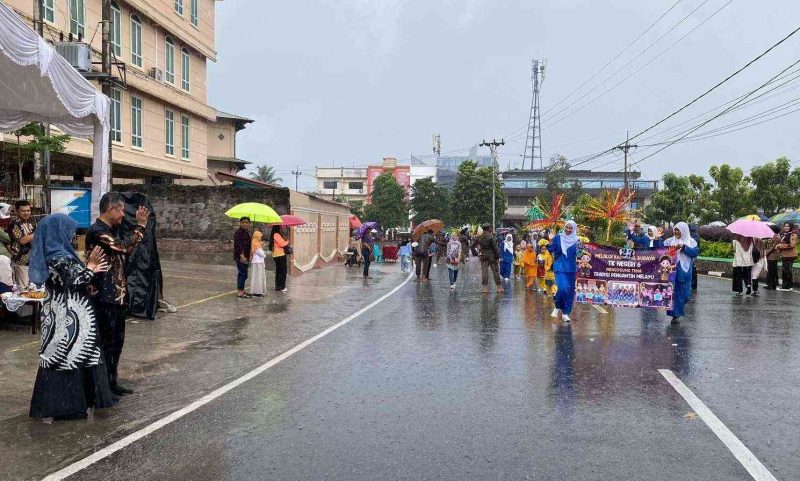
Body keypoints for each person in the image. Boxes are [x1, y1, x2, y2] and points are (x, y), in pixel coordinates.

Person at [28, 214, 115, 421]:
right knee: (66, 358)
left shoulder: (57, 254)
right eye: (69, 231)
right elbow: (76, 282)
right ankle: (67, 407)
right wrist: (91, 268)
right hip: (66, 318)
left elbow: (78, 282)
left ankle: (73, 405)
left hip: (65, 315)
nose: (72, 236)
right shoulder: (58, 256)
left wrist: (91, 272)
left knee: (67, 358)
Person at [85, 193, 148, 396]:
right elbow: (124, 247)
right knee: (105, 343)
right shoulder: (97, 231)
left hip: (117, 296)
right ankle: (102, 387)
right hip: (104, 296)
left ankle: (112, 382)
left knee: (116, 342)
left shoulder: (112, 229)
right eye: (121, 210)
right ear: (111, 209)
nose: (123, 215)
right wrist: (140, 226)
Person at [664, 222, 700, 324]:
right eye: (675, 230)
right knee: (675, 292)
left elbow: (695, 253)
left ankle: (677, 310)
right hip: (674, 269)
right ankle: (675, 314)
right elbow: (659, 250)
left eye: (678, 230)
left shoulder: (691, 241)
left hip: (686, 270)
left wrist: (683, 247)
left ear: (684, 231)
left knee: (686, 294)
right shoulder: (669, 241)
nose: (676, 232)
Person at [549, 221, 579, 322]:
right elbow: (551, 250)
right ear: (564, 227)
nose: (568, 230)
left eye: (570, 228)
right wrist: (551, 240)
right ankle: (557, 306)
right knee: (563, 288)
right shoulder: (558, 237)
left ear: (574, 229)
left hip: (571, 268)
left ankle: (565, 313)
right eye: (567, 227)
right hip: (560, 266)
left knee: (570, 291)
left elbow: (580, 254)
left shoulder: (577, 240)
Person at [9, 200, 37, 288]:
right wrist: (39, 232)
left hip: (32, 261)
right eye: (23, 211)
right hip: (21, 262)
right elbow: (22, 240)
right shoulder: (14, 224)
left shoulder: (30, 223)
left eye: (28, 210)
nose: (26, 213)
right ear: (17, 211)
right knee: (23, 289)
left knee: (33, 289)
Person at [472, 224, 503, 294]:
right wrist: (498, 256)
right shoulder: (492, 237)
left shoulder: (479, 237)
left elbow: (472, 246)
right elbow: (495, 248)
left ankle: (485, 288)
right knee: (495, 272)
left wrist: (475, 254)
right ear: (489, 228)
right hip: (492, 257)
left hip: (483, 256)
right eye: (490, 228)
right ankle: (499, 287)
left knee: (484, 272)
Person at [233, 217, 252, 298]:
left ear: (249, 224)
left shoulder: (247, 232)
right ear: (240, 223)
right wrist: (241, 255)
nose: (245, 224)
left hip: (246, 256)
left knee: (245, 274)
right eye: (243, 222)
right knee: (242, 273)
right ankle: (240, 292)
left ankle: (242, 290)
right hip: (241, 256)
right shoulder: (238, 233)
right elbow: (238, 245)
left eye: (246, 222)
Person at [776, 222, 797, 291]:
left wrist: (780, 246)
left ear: (791, 227)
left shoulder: (793, 235)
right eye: (785, 226)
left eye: (788, 226)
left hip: (790, 255)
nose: (786, 227)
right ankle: (787, 286)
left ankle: (787, 287)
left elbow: (792, 245)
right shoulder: (784, 235)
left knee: (787, 270)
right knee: (785, 270)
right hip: (784, 255)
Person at [270, 225, 290, 290]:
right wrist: (287, 241)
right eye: (280, 227)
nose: (281, 229)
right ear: (277, 228)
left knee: (279, 271)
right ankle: (282, 287)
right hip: (280, 255)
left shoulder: (274, 235)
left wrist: (284, 239)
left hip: (276, 255)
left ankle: (278, 287)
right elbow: (282, 244)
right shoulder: (277, 234)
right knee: (283, 271)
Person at [250, 231, 267, 297]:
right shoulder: (255, 243)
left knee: (258, 277)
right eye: (260, 236)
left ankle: (258, 291)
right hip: (257, 262)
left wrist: (262, 248)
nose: (260, 237)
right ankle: (256, 292)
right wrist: (264, 252)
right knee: (258, 277)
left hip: (259, 262)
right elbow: (262, 254)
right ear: (257, 236)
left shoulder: (257, 243)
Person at [688, 224, 701, 291]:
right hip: (695, 254)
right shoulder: (697, 235)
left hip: (690, 254)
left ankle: (691, 284)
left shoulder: (690, 236)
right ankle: (694, 285)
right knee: (693, 268)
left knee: (690, 268)